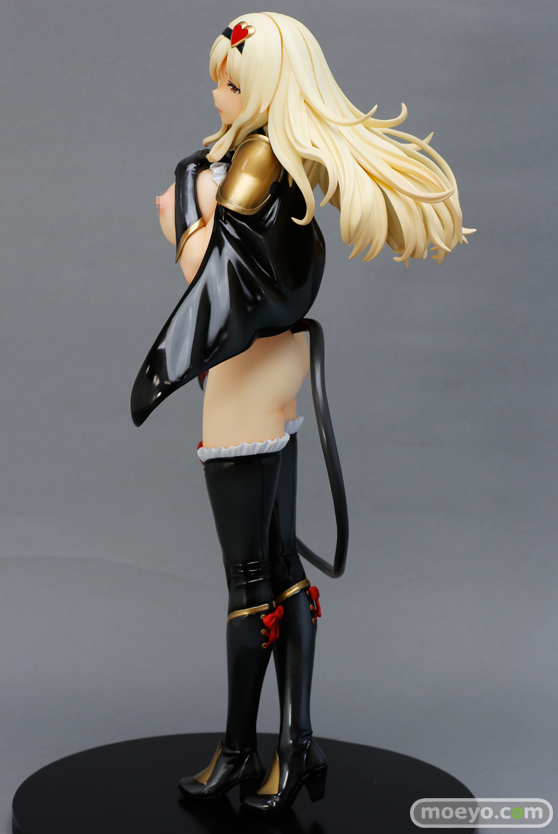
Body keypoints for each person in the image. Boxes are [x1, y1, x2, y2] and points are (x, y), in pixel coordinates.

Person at [131, 12, 472, 815]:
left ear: (264, 87)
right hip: (274, 375)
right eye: (218, 80)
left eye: (231, 82)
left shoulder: (255, 163)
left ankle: (239, 753)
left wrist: (181, 215)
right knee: (282, 568)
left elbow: (218, 285)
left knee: (248, 580)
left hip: (244, 384)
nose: (217, 94)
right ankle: (296, 743)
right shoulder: (276, 157)